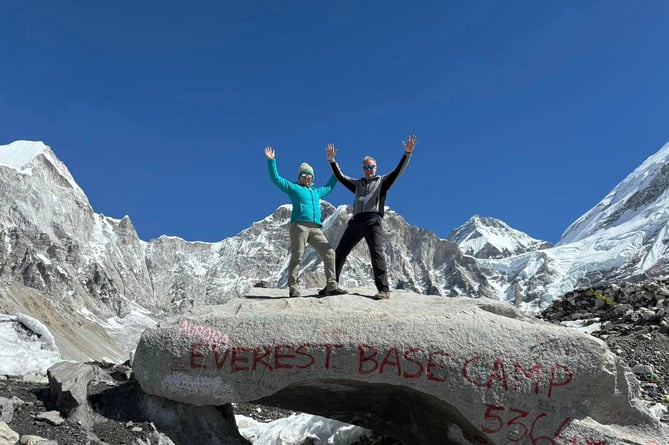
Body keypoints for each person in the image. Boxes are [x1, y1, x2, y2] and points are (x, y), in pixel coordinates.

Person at [326, 135, 418, 300]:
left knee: (377, 253)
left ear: (376, 167)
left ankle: (383, 289)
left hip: (373, 221)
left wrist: (407, 153)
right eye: (366, 167)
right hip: (356, 221)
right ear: (363, 168)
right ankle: (331, 286)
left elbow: (398, 171)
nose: (369, 169)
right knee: (340, 252)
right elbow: (340, 177)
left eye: (371, 166)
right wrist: (332, 161)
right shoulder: (357, 184)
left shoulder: (382, 181)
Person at [265, 146, 346, 297]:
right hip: (299, 226)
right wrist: (271, 161)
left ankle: (331, 286)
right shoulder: (294, 188)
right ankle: (293, 288)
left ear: (312, 178)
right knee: (297, 256)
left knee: (329, 253)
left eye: (309, 176)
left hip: (315, 228)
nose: (307, 178)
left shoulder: (316, 192)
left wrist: (335, 173)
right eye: (304, 175)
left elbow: (329, 186)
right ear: (300, 177)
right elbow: (276, 179)